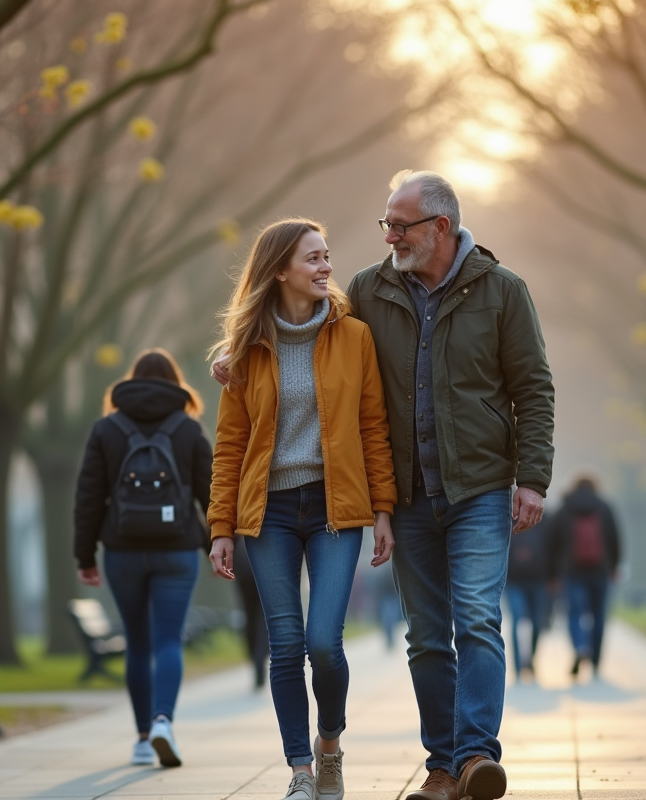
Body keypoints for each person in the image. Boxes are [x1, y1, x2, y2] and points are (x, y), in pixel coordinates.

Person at [347, 170, 554, 800]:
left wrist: (533, 479)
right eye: (385, 223)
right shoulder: (366, 289)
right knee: (427, 634)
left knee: (477, 619)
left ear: (441, 225)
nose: (389, 236)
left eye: (400, 224)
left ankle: (473, 758)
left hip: (482, 489)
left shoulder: (502, 290)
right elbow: (314, 340)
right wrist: (237, 352)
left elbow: (533, 389)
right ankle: (441, 765)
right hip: (407, 494)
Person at [206, 218, 397, 800]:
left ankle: (330, 745)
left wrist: (383, 508)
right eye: (313, 258)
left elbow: (373, 426)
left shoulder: (354, 336)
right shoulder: (245, 350)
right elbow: (230, 444)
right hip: (268, 513)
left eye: (327, 256)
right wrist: (219, 527)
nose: (326, 268)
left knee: (323, 643)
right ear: (280, 269)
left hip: (336, 508)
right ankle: (300, 771)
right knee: (285, 644)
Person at [73, 348, 212, 768]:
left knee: (138, 640)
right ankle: (163, 721)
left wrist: (85, 555)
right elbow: (211, 494)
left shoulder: (106, 429)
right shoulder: (188, 429)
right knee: (169, 639)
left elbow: (89, 497)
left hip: (122, 549)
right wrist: (218, 545)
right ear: (176, 382)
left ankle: (140, 739)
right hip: (178, 549)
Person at [548, 475, 622, 677]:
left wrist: (553, 575)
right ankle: (596, 661)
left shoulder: (564, 508)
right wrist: (614, 566)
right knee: (598, 616)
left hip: (572, 572)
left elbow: (553, 544)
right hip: (600, 570)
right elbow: (615, 538)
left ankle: (580, 646)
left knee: (574, 614)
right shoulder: (604, 507)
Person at [504, 523, 553, 682]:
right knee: (517, 619)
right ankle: (518, 667)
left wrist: (553, 575)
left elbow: (553, 547)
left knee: (537, 623)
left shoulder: (544, 518)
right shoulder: (506, 514)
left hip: (538, 581)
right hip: (513, 581)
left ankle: (530, 661)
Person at [230, 535, 270, 689]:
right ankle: (260, 657)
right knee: (264, 614)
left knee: (249, 613)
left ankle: (254, 658)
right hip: (265, 555)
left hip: (242, 556)